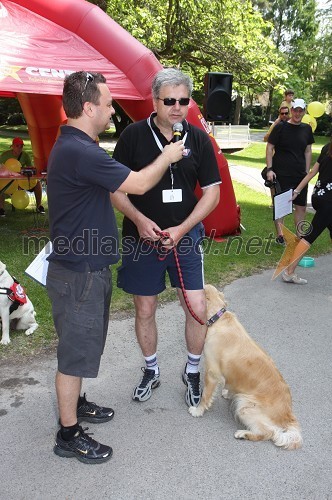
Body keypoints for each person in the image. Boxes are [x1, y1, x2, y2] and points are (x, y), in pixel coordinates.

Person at [46, 70, 184, 464]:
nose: (111, 111)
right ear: (87, 108)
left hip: (85, 269)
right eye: (107, 105)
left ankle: (77, 404)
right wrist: (168, 154)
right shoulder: (81, 151)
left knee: (83, 349)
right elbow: (138, 184)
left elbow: (109, 191)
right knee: (75, 355)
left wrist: (139, 221)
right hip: (80, 274)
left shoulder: (77, 147)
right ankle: (69, 433)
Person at [112, 68, 221, 408]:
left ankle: (191, 371)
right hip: (142, 237)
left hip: (184, 237)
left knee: (197, 306)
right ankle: (151, 369)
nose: (177, 107)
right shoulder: (132, 136)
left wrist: (183, 228)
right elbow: (116, 190)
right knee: (145, 307)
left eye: (183, 101)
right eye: (169, 100)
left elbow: (212, 193)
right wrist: (139, 219)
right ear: (155, 100)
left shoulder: (198, 138)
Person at [282, 136, 332, 284]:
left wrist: (297, 191)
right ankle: (289, 272)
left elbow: (311, 173)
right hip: (329, 202)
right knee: (310, 236)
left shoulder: (327, 147)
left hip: (318, 197)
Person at [266, 98, 314, 244]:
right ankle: (280, 235)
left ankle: (299, 238)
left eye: (301, 111)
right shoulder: (281, 127)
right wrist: (269, 169)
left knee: (301, 207)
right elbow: (269, 147)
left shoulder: (307, 129)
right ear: (291, 110)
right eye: (295, 110)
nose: (297, 113)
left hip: (300, 175)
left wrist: (306, 171)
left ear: (304, 111)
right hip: (281, 173)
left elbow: (308, 150)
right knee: (281, 206)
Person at [0, 137, 44, 217]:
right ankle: (1, 209)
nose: (19, 148)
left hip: (22, 181)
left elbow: (31, 169)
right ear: (12, 146)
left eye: (21, 146)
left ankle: (39, 206)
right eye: (17, 146)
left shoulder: (25, 155)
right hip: (8, 181)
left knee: (37, 183)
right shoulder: (5, 155)